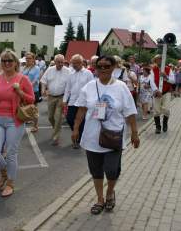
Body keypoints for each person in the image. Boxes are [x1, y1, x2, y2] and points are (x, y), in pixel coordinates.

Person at [71, 55, 140, 215]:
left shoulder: (121, 87)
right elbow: (81, 109)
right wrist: (75, 129)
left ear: (114, 67)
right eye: (99, 66)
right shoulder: (89, 86)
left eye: (106, 66)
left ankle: (110, 192)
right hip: (92, 137)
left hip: (113, 136)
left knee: (111, 170)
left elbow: (130, 112)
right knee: (95, 170)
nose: (102, 69)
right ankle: (100, 199)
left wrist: (134, 133)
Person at [0, 50, 35, 198]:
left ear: (15, 63)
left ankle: (10, 183)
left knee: (11, 154)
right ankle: (4, 173)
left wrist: (19, 91)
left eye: (10, 61)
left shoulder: (22, 79)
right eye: (4, 61)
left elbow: (31, 99)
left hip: (15, 121)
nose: (7, 63)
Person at [62, 54, 93, 148]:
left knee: (82, 121)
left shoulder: (88, 73)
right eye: (72, 63)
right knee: (70, 118)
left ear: (81, 63)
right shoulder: (71, 74)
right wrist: (64, 100)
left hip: (84, 102)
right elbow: (68, 88)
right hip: (72, 101)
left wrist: (90, 101)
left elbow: (92, 88)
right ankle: (77, 133)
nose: (73, 65)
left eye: (75, 63)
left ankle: (78, 140)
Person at [40, 54, 71, 146]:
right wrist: (43, 90)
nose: (61, 64)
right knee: (50, 117)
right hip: (51, 96)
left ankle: (56, 137)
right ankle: (56, 129)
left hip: (61, 97)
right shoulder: (50, 70)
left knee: (58, 117)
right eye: (59, 62)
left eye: (62, 62)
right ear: (55, 62)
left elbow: (69, 86)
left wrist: (66, 100)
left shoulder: (68, 71)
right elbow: (43, 81)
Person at [150, 55, 174, 134]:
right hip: (157, 92)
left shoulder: (168, 69)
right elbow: (152, 81)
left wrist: (166, 77)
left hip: (166, 92)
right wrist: (156, 90)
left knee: (166, 109)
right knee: (156, 110)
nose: (159, 61)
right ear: (155, 61)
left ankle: (165, 124)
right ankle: (158, 127)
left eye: (161, 59)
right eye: (158, 60)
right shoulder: (153, 70)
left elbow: (173, 81)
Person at [22, 52, 41, 132]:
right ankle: (27, 120)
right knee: (25, 108)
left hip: (33, 91)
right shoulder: (24, 68)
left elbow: (36, 79)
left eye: (30, 58)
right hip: (24, 91)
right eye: (27, 58)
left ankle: (35, 126)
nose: (28, 60)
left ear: (33, 59)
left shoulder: (36, 68)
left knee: (34, 109)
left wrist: (29, 86)